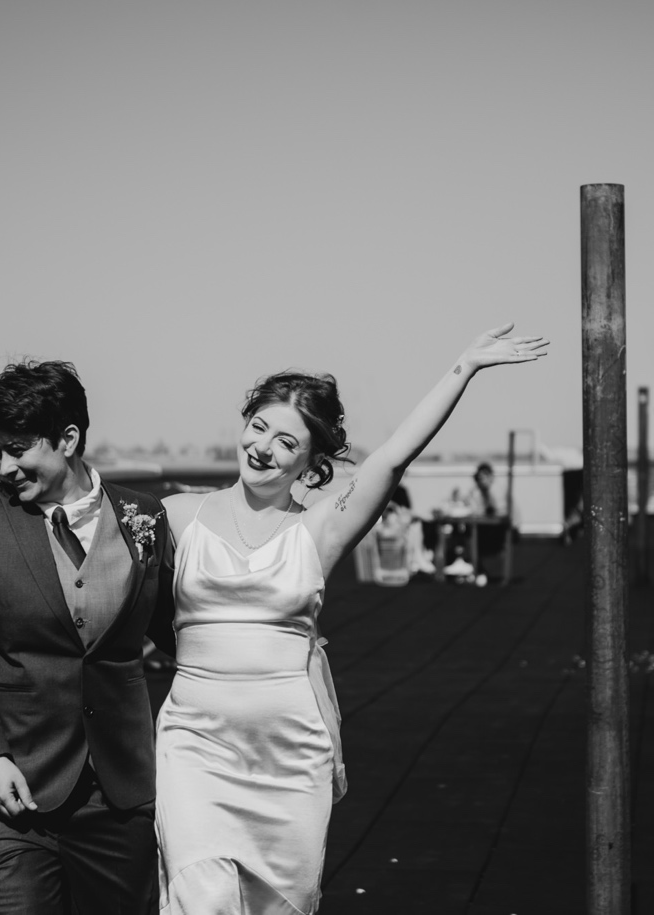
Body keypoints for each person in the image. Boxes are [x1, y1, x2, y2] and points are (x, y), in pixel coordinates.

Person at [153, 323, 544, 912]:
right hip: (195, 744)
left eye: (287, 442)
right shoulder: (178, 516)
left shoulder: (318, 530)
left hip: (288, 750)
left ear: (311, 463)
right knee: (198, 896)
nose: (263, 447)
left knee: (279, 905)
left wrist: (464, 366)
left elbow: (393, 457)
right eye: (258, 427)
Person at [0, 360, 177, 913]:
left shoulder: (145, 517)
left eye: (18, 448)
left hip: (118, 795)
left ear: (68, 439)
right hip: (3, 793)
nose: (5, 466)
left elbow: (177, 634)